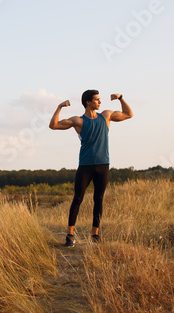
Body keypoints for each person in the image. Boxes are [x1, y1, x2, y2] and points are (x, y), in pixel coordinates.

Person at [49, 90, 133, 246]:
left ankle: (95, 236)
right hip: (85, 166)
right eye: (97, 100)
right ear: (88, 102)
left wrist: (121, 98)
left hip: (103, 165)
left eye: (100, 99)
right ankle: (69, 236)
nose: (100, 102)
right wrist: (59, 107)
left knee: (98, 200)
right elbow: (53, 125)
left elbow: (129, 114)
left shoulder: (106, 116)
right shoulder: (78, 121)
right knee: (78, 199)